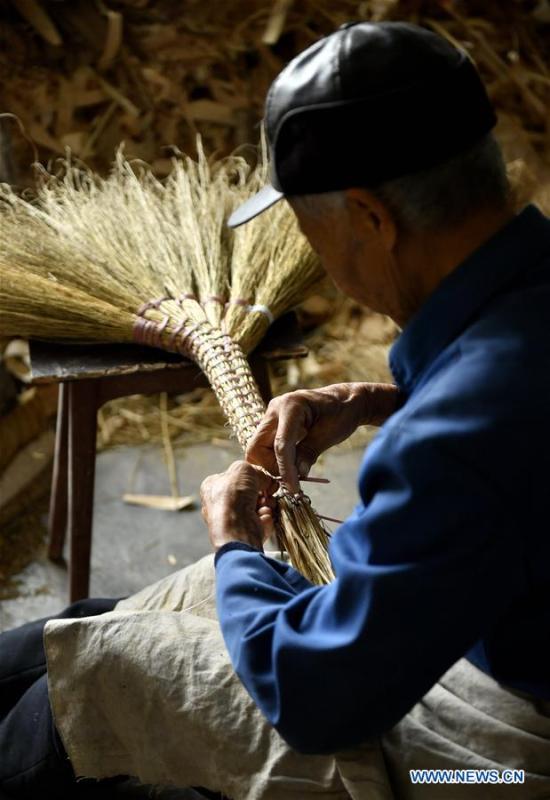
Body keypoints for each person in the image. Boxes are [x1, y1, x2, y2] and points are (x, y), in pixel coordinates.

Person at [1, 20, 550, 800]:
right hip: (494, 632)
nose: (320, 262)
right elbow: (520, 432)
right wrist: (379, 400)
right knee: (137, 611)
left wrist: (236, 544)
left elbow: (315, 698)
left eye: (311, 234)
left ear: (372, 218)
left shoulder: (457, 441)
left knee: (106, 674)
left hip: (504, 764)